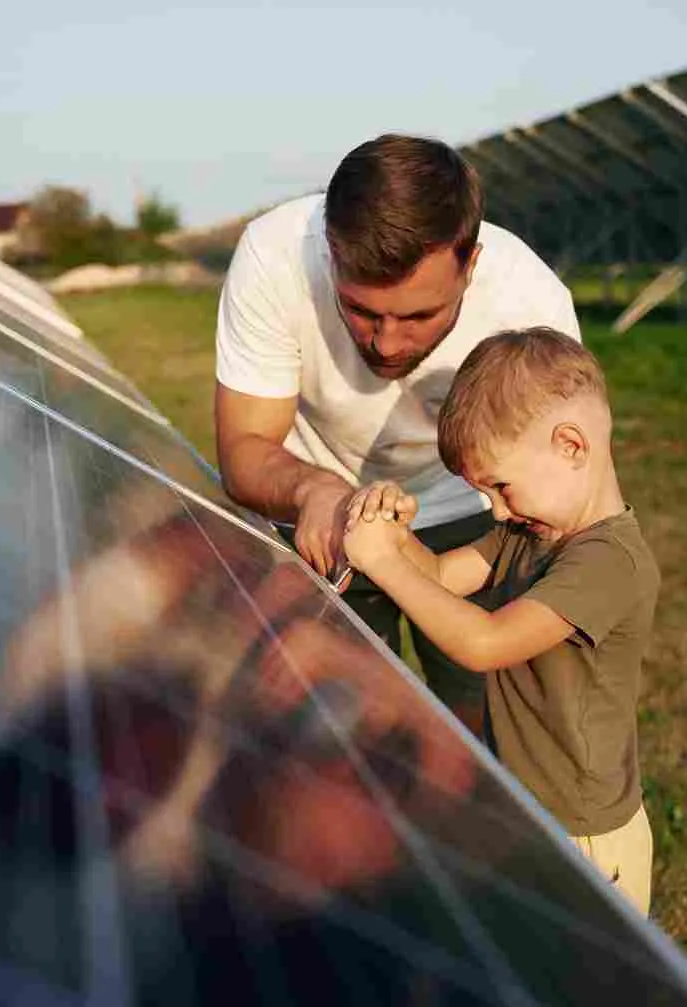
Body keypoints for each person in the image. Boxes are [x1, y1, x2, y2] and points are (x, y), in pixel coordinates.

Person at [214, 133, 579, 733]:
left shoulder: (530, 305)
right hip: (323, 524)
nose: (385, 344)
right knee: (335, 739)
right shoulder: (274, 256)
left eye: (417, 316)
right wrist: (316, 492)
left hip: (477, 519)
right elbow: (244, 449)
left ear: (472, 264)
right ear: (331, 253)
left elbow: (556, 495)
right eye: (360, 310)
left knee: (487, 727)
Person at [341, 327, 659, 916]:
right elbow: (437, 576)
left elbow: (485, 644)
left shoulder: (607, 561)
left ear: (571, 446)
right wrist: (396, 532)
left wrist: (383, 563)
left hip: (584, 833)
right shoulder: (526, 533)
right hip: (531, 811)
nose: (495, 508)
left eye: (500, 486)